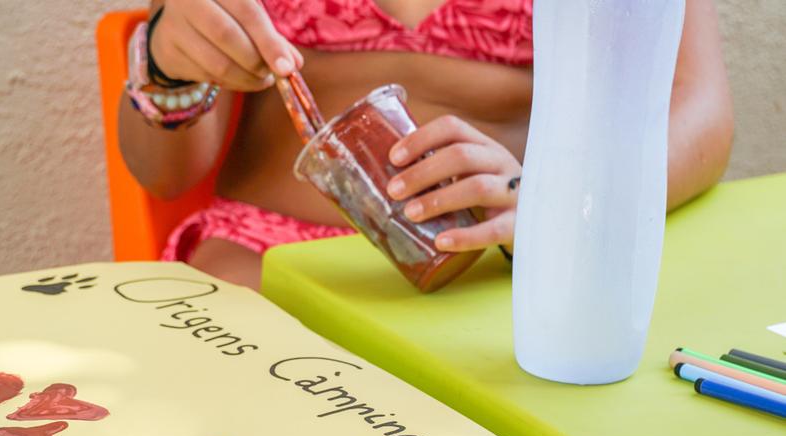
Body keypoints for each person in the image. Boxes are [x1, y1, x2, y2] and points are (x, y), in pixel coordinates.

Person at [119, 0, 733, 289]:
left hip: (502, 269)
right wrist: (167, 69)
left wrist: (561, 207)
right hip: (265, 264)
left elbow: (695, 106)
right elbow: (164, 174)